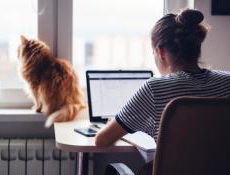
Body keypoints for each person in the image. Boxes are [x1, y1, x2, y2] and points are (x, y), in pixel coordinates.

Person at [95, 8, 230, 148]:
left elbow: (102, 140)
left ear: (160, 52)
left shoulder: (155, 88)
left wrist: (116, 122)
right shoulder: (227, 82)